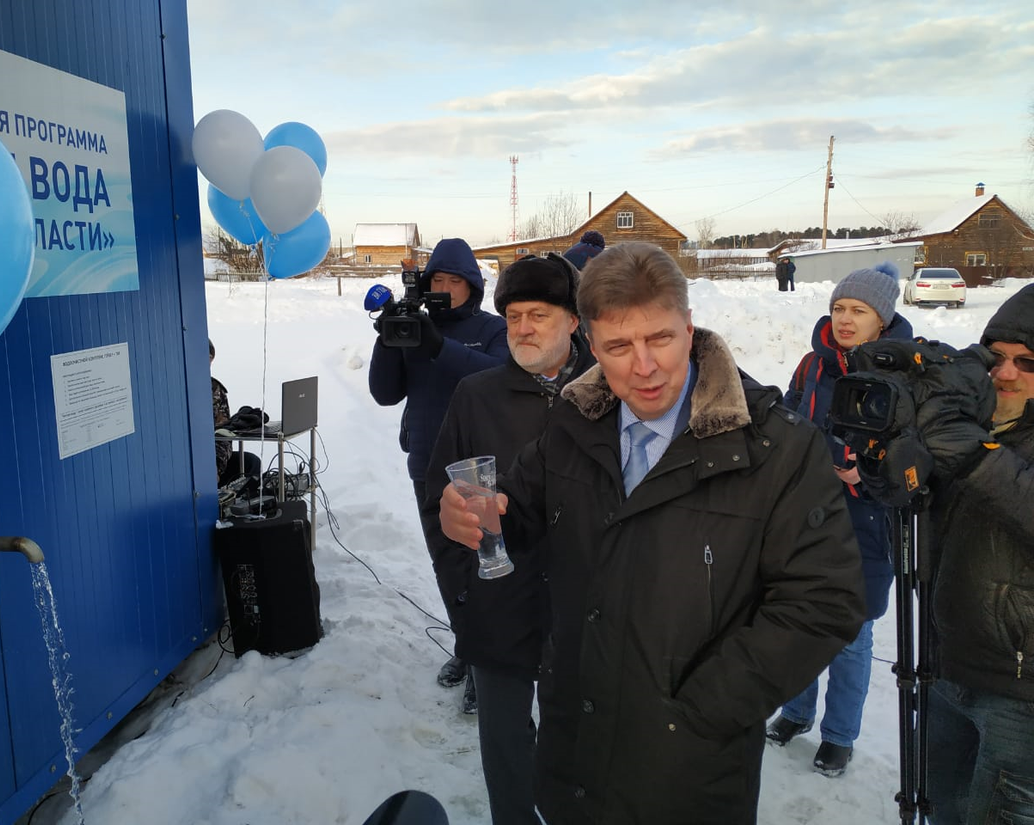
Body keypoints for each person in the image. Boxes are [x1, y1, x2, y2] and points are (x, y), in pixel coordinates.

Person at [439, 242, 867, 824]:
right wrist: (471, 515)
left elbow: (824, 602)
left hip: (687, 776)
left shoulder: (776, 449)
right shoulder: (574, 423)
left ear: (689, 329)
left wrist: (703, 709)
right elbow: (519, 514)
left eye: (659, 339)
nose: (644, 367)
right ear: (591, 346)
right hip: (574, 759)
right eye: (618, 346)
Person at [423, 253, 595, 825]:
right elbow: (438, 500)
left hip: (587, 607)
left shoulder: (609, 391)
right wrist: (464, 591)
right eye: (514, 314)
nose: (523, 327)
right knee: (504, 743)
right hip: (499, 597)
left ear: (574, 320)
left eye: (539, 314)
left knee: (585, 743)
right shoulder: (477, 395)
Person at [766, 263, 912, 776]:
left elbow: (914, 463)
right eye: (839, 309)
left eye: (859, 311)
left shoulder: (904, 372)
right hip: (805, 514)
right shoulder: (813, 365)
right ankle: (797, 712)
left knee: (851, 636)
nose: (845, 320)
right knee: (797, 618)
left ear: (883, 318)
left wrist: (863, 475)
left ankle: (839, 736)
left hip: (866, 523)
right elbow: (788, 416)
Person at [368, 237, 509, 706]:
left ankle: (489, 665)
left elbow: (497, 380)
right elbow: (385, 394)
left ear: (472, 286)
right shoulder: (415, 327)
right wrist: (389, 340)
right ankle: (467, 649)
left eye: (455, 281)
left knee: (485, 565)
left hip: (478, 470)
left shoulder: (492, 329)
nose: (445, 288)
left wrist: (438, 347)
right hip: (427, 464)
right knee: (447, 567)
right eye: (438, 280)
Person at [918, 283, 1034, 824]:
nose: (1006, 374)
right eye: (996, 357)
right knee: (944, 809)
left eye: (1028, 361)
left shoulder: (975, 440)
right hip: (947, 665)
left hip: (1020, 693)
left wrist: (973, 456)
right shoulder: (978, 424)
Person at [210, 339, 261, 487]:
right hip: (189, 462)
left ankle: (236, 507)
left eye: (210, 360)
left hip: (213, 459)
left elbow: (222, 434)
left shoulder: (215, 390)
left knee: (251, 464)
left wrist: (216, 468)